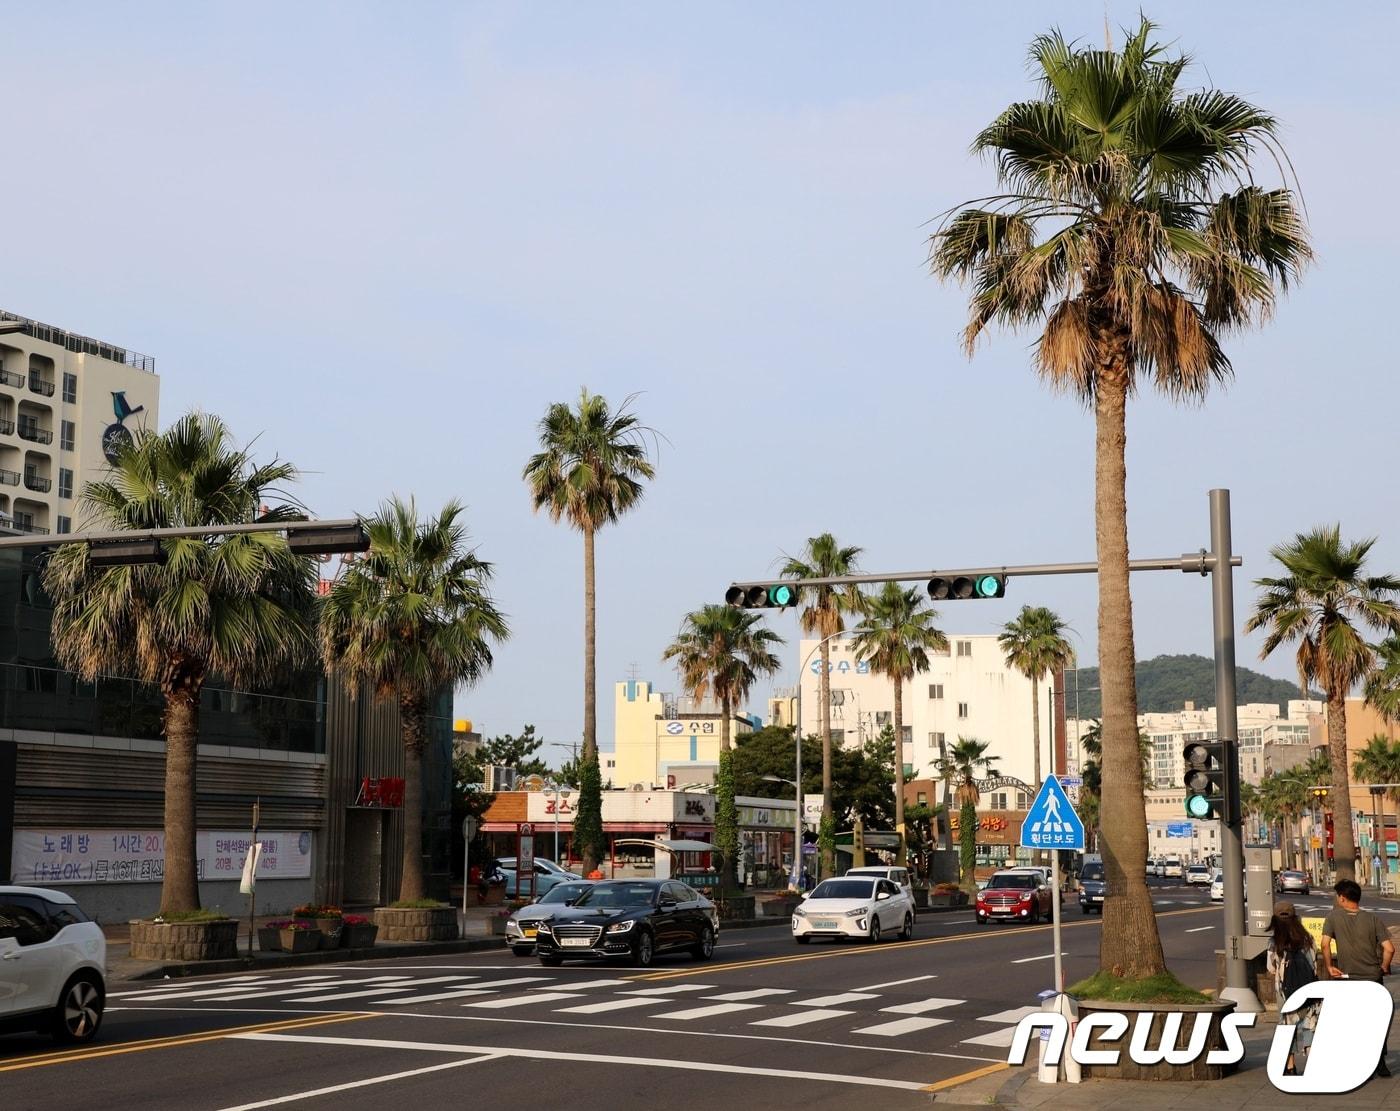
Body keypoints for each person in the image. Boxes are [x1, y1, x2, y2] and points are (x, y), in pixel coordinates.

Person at [1322, 878, 1395, 1078]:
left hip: (1348, 978)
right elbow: (1389, 948)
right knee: (1376, 1021)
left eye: (1338, 896)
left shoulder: (1333, 918)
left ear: (1343, 898)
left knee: (1353, 1022)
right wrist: (1384, 967)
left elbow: (1325, 944)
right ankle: (1380, 1063)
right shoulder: (1372, 919)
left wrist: (1330, 966)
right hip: (1373, 978)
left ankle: (1360, 1064)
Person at [1266, 901, 1319, 1075]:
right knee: (1309, 1024)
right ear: (1295, 918)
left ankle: (1290, 1066)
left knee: (1287, 1026)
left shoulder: (1274, 942)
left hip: (1285, 992)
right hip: (1309, 988)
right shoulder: (1308, 939)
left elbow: (1271, 968)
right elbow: (1314, 963)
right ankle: (1313, 1064)